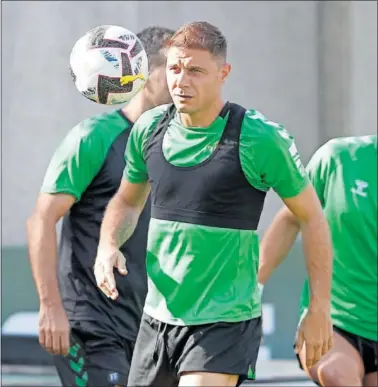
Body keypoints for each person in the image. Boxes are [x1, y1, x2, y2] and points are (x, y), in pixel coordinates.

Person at [94, 21, 333, 387]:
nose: (181, 81)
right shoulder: (149, 128)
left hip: (224, 321)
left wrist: (319, 310)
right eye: (174, 68)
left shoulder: (260, 138)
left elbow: (312, 217)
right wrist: (108, 244)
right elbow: (127, 202)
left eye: (195, 71)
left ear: (223, 73)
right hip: (157, 318)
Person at [26, 26, 175, 387]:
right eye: (173, 69)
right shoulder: (94, 137)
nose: (183, 80)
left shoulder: (180, 145)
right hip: (91, 325)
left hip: (153, 328)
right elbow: (41, 221)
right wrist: (50, 307)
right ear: (144, 71)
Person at [258, 135, 377, 387]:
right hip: (336, 325)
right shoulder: (339, 158)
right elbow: (291, 218)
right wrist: (251, 287)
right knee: (336, 374)